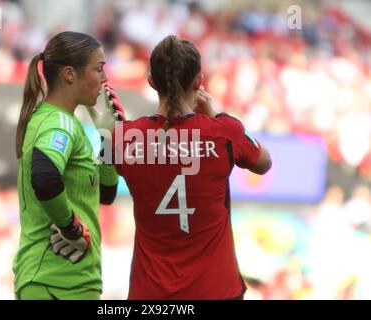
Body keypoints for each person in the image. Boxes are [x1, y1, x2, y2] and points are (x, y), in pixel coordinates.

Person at [111, 35, 272, 299]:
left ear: (151, 81)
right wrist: (214, 115)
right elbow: (264, 163)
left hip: (151, 293)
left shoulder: (124, 137)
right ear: (199, 80)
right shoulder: (224, 131)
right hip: (217, 289)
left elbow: (118, 166)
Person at [13, 31, 125, 300]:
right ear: (69, 74)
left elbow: (106, 195)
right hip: (54, 281)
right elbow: (44, 176)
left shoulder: (69, 123)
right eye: (98, 69)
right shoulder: (57, 122)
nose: (105, 78)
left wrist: (108, 139)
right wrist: (71, 227)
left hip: (70, 281)